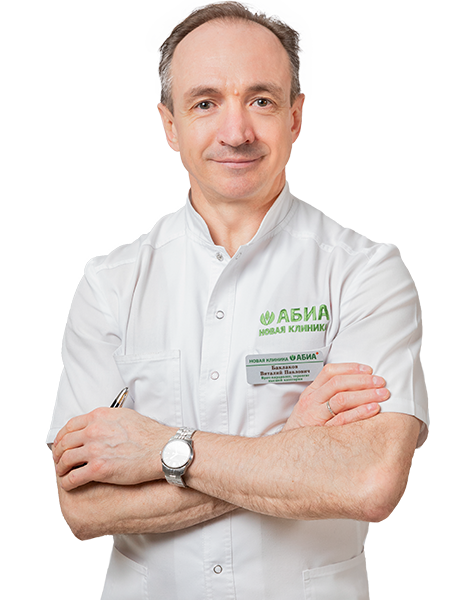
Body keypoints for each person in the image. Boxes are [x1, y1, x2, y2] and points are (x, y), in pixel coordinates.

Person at [47, 2, 429, 598]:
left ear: (296, 117)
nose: (236, 132)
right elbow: (85, 508)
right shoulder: (109, 285)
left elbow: (368, 483)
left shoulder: (364, 272)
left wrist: (158, 450)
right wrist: (292, 450)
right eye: (205, 103)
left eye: (261, 101)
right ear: (169, 125)